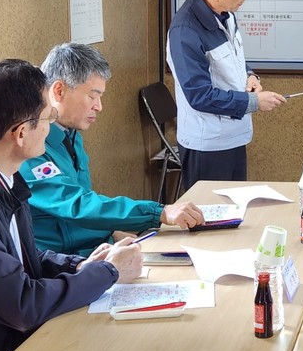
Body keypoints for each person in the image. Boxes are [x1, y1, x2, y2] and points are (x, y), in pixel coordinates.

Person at [0, 59, 142, 351]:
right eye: (47, 118)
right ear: (20, 133)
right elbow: (21, 304)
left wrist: (80, 266)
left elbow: (22, 256)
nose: (51, 127)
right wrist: (109, 272)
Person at [19, 43, 204, 256]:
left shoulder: (70, 134)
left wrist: (111, 233)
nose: (99, 106)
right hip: (61, 261)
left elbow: (85, 202)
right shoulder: (30, 146)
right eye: (92, 96)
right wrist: (159, 212)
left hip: (91, 248)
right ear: (59, 90)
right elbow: (77, 205)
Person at [167, 0, 286, 188]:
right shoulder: (184, 32)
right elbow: (199, 96)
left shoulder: (225, 13)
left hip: (234, 136)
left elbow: (232, 57)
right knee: (208, 210)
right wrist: (254, 102)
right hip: (207, 144)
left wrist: (250, 75)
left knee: (235, 207)